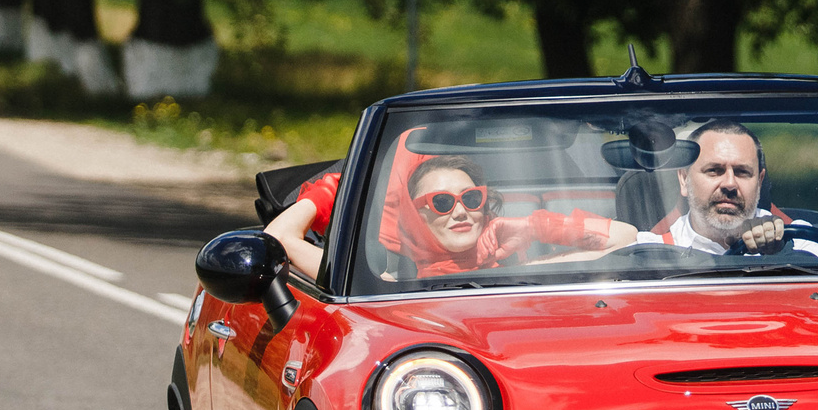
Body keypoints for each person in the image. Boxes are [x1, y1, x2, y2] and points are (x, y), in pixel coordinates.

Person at [269, 151, 639, 279]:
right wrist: (334, 189)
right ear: (414, 217)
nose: (461, 210)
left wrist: (537, 225)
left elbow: (627, 241)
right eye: (442, 202)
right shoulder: (380, 282)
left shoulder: (520, 269)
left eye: (472, 198)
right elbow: (280, 237)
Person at [659, 120, 818, 257]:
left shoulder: (799, 238)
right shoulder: (653, 252)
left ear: (759, 182)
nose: (729, 184)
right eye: (714, 171)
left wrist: (781, 253)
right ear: (684, 179)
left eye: (742, 172)